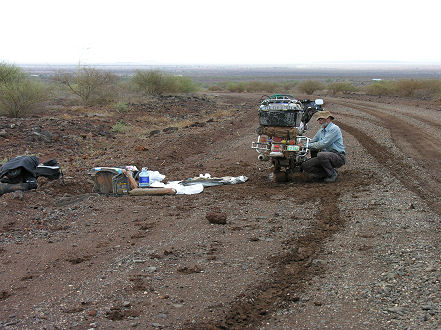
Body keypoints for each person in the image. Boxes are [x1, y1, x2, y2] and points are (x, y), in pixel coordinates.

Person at [300, 111, 345, 183]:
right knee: (305, 165)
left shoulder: (334, 129)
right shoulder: (321, 130)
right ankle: (325, 173)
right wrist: (302, 144)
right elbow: (313, 141)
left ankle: (332, 174)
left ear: (328, 119)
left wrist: (307, 146)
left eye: (321, 119)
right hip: (326, 156)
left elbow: (323, 144)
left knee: (321, 154)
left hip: (338, 156)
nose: (319, 122)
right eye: (319, 120)